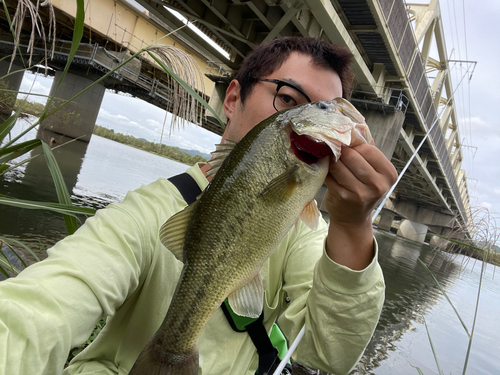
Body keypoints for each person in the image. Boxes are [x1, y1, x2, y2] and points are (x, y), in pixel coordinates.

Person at [0, 37, 397, 374]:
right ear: (234, 97)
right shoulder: (145, 214)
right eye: (289, 99)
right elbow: (37, 313)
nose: (301, 116)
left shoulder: (302, 226)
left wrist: (353, 226)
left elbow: (331, 353)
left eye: (324, 106)